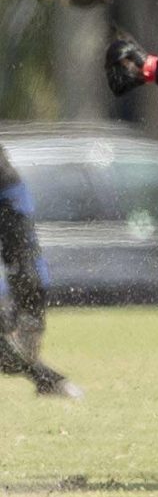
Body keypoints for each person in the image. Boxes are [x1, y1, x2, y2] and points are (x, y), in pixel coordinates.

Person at [0, 142, 80, 398]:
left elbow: (30, 274)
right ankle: (44, 378)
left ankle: (33, 364)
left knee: (31, 282)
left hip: (5, 188)